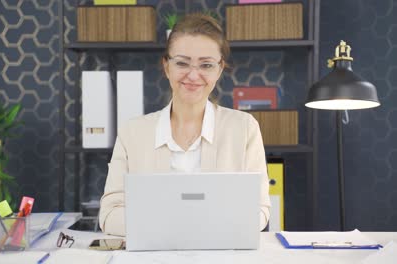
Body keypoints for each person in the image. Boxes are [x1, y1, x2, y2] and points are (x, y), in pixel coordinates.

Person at [99, 13, 270, 236]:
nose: (193, 75)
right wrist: (189, 225)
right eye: (182, 63)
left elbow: (259, 211)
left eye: (206, 65)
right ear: (166, 66)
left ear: (219, 69)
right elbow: (110, 215)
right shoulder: (133, 132)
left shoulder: (244, 128)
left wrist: (166, 222)